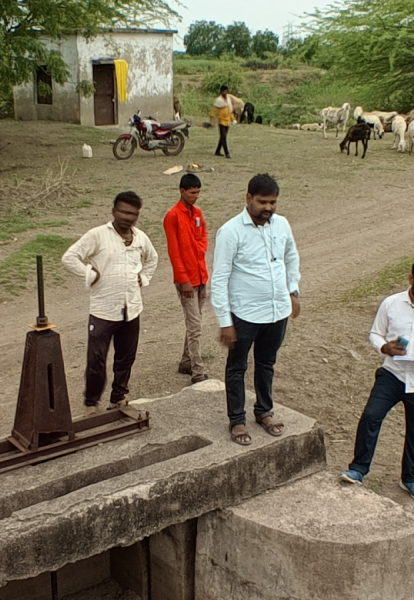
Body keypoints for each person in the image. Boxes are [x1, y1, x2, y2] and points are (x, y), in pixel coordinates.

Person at [340, 260, 414, 503]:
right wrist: (384, 347)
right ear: (411, 278)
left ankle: (410, 479)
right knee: (371, 417)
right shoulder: (391, 304)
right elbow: (375, 333)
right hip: (392, 375)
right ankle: (358, 469)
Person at [210, 174, 299, 446]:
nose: (268, 208)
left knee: (266, 363)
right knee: (237, 367)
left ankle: (264, 412)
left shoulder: (281, 224)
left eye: (273, 202)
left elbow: (291, 256)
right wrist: (225, 321)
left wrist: (292, 290)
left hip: (276, 312)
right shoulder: (230, 231)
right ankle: (237, 420)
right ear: (248, 198)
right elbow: (220, 278)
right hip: (244, 315)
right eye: (262, 202)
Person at [62, 192, 160, 412]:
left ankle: (118, 398)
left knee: (125, 359)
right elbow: (69, 257)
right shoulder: (97, 236)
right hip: (103, 311)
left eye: (133, 213)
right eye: (124, 211)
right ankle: (91, 404)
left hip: (131, 309)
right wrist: (89, 273)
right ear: (114, 211)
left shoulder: (140, 237)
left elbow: (152, 258)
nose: (128, 217)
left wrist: (143, 278)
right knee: (96, 362)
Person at [162, 173, 212, 383]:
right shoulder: (172, 216)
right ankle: (198, 370)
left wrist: (198, 248)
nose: (195, 196)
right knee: (195, 326)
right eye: (192, 193)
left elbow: (203, 237)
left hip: (201, 275)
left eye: (198, 192)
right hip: (187, 280)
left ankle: (186, 362)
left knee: (195, 322)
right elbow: (174, 252)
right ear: (182, 191)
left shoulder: (198, 213)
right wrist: (184, 280)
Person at [210, 86, 243, 159]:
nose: (225, 93)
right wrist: (212, 121)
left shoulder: (228, 100)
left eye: (226, 91)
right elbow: (213, 112)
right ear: (221, 92)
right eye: (224, 91)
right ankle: (227, 153)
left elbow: (230, 112)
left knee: (223, 137)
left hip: (228, 121)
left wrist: (233, 119)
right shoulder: (218, 101)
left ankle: (217, 151)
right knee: (223, 137)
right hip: (221, 121)